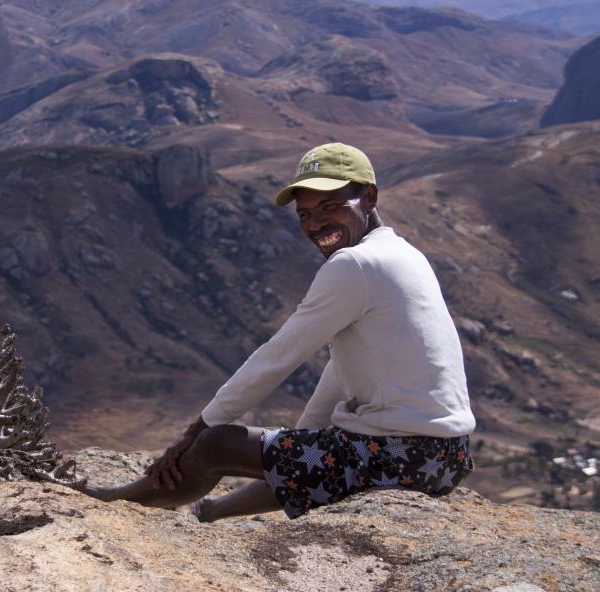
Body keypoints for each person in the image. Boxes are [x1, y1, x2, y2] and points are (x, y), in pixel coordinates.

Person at [76, 142, 476, 522]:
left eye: (331, 206)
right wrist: (302, 440)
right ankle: (208, 512)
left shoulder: (355, 265)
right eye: (304, 214)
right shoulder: (403, 254)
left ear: (369, 197)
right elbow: (343, 367)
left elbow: (276, 357)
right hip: (445, 459)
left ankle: (121, 506)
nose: (316, 223)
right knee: (314, 448)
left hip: (400, 458)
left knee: (218, 443)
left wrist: (194, 434)